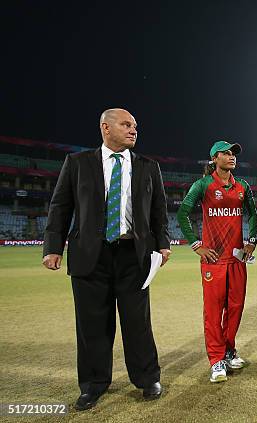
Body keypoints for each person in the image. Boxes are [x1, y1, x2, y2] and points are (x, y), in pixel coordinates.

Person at [42, 108, 171, 410]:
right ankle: (93, 384)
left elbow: (159, 211)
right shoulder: (77, 163)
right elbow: (60, 205)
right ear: (105, 127)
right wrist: (52, 246)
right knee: (92, 324)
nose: (133, 130)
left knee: (137, 322)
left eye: (135, 126)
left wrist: (163, 244)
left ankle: (147, 378)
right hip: (90, 254)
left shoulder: (148, 166)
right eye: (126, 125)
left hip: (133, 255)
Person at [177, 141, 257, 383]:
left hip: (237, 259)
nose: (231, 156)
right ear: (214, 158)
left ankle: (229, 350)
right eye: (225, 153)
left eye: (233, 153)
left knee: (235, 309)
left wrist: (251, 241)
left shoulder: (242, 186)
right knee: (213, 312)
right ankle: (216, 360)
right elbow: (182, 213)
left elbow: (253, 214)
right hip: (213, 260)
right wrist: (196, 245)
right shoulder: (203, 185)